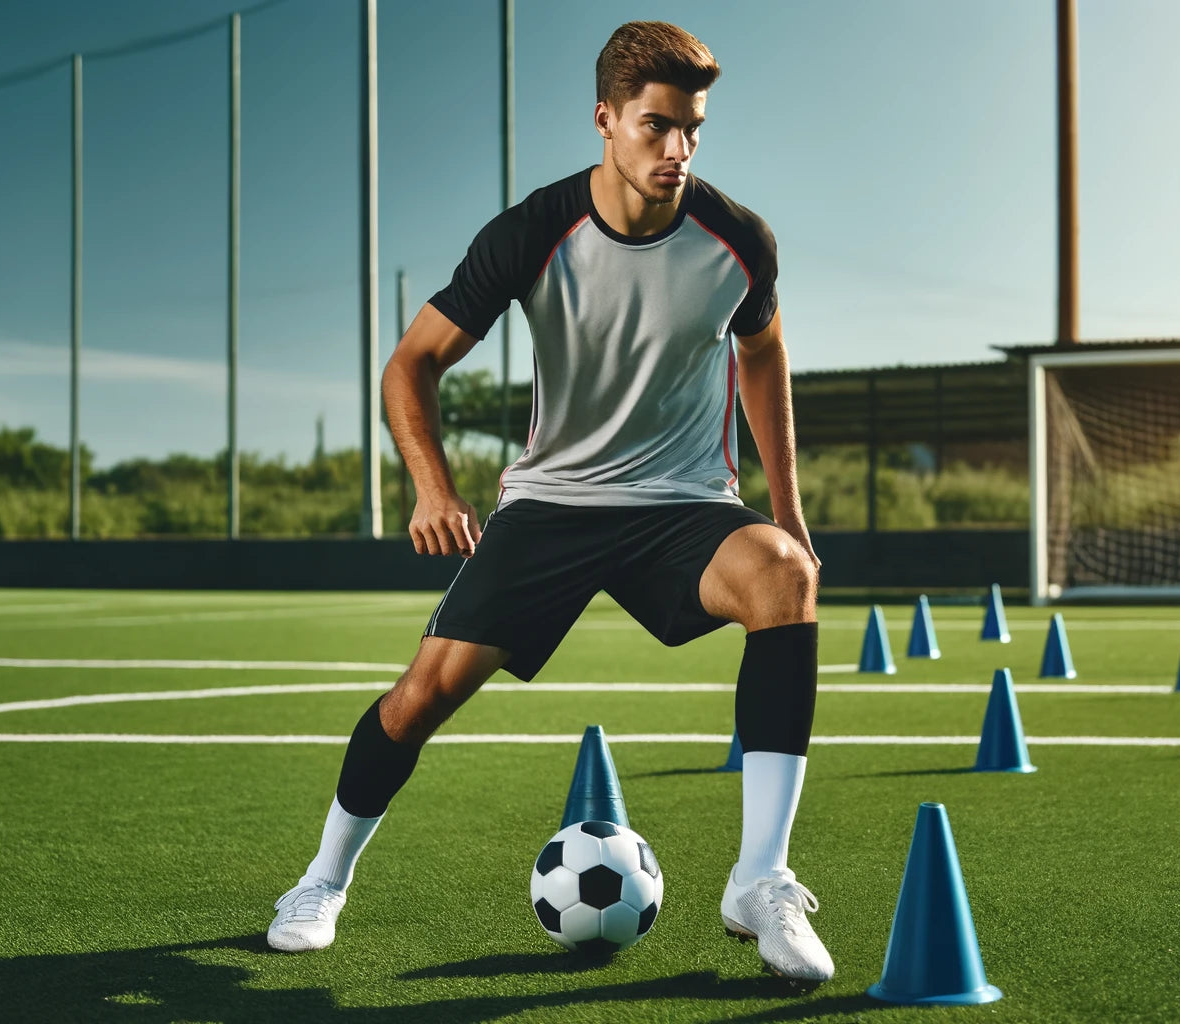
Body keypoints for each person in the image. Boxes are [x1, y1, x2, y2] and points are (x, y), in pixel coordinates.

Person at [267, 20, 831, 984]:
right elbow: (412, 364)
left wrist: (787, 508)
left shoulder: (737, 240)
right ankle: (320, 880)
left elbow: (763, 352)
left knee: (784, 575)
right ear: (606, 120)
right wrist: (431, 488)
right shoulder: (533, 231)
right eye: (656, 126)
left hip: (683, 505)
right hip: (556, 504)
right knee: (420, 700)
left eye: (693, 129)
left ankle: (759, 880)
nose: (678, 149)